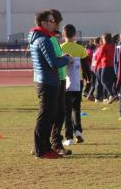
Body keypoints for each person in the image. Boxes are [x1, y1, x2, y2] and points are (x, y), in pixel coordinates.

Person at [28, 10, 70, 159]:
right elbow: (53, 63)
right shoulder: (43, 40)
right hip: (47, 82)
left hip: (47, 81)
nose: (55, 24)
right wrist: (66, 59)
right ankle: (42, 150)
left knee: (48, 116)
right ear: (43, 23)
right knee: (46, 117)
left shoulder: (40, 38)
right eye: (52, 21)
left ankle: (44, 148)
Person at [47, 9, 72, 156]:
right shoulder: (49, 39)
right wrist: (65, 59)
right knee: (55, 113)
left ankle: (42, 142)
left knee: (54, 113)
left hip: (60, 78)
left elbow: (56, 57)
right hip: (55, 79)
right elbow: (53, 61)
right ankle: (55, 143)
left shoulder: (53, 38)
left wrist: (63, 56)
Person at [60, 24, 89, 146]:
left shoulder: (60, 47)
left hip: (65, 82)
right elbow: (85, 66)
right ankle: (78, 131)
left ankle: (69, 136)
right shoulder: (80, 48)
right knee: (76, 108)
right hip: (79, 81)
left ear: (63, 34)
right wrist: (88, 79)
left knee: (66, 110)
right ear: (75, 34)